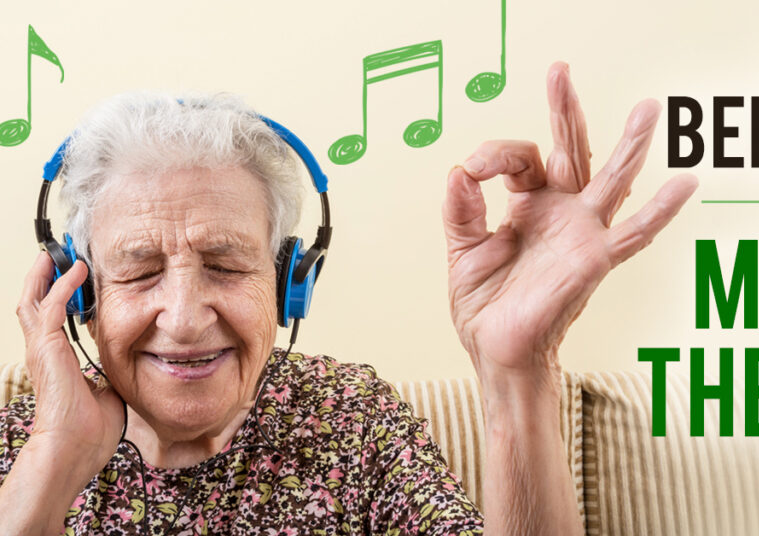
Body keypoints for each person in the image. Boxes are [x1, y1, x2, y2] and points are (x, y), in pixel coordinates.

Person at [0, 62, 697, 534]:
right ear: (80, 291)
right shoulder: (18, 445)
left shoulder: (349, 418)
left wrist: (521, 368)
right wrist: (54, 462)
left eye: (225, 264)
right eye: (140, 271)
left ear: (289, 280)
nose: (183, 318)